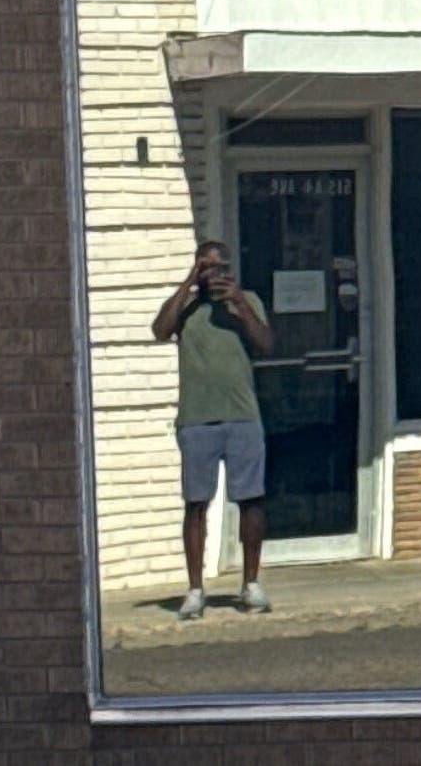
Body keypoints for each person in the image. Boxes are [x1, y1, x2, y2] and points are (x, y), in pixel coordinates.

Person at [152, 239, 274, 621]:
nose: (212, 274)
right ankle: (195, 589)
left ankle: (251, 583)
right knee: (196, 504)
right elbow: (160, 330)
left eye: (218, 266)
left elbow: (266, 344)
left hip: (242, 417)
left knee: (251, 500)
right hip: (196, 419)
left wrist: (236, 302)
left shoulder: (246, 300)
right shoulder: (186, 307)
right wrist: (188, 281)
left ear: (229, 268)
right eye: (205, 266)